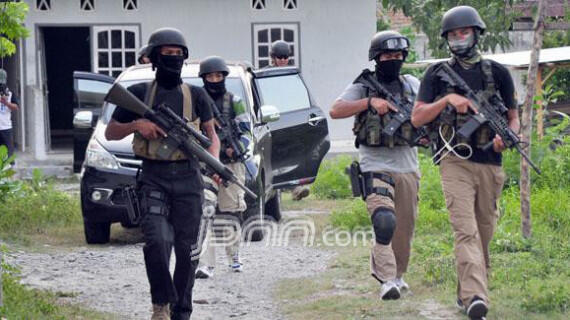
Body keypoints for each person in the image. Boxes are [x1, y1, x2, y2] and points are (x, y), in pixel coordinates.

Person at [105, 27, 220, 320]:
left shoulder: (196, 95)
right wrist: (137, 125)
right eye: (166, 54)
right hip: (153, 176)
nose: (173, 59)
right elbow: (111, 130)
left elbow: (211, 135)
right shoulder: (139, 93)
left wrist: (215, 165)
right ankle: (161, 304)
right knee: (156, 242)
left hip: (188, 178)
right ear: (155, 58)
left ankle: (181, 310)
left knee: (188, 251)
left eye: (178, 54)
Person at [411, 6, 518, 320]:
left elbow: (514, 120)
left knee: (484, 232)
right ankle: (475, 298)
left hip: (491, 163)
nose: (459, 39)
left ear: (475, 33)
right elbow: (417, 117)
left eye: (464, 32)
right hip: (454, 160)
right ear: (447, 39)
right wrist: (446, 100)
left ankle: (466, 293)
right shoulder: (436, 74)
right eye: (454, 34)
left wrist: (507, 138)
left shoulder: (498, 73)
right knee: (466, 231)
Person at [329, 31, 421, 301]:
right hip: (374, 162)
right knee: (384, 221)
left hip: (408, 164)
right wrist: (369, 102)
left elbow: (428, 111)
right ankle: (386, 279)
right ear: (376, 58)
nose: (393, 60)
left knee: (404, 228)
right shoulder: (364, 85)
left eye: (397, 55)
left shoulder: (413, 84)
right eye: (387, 55)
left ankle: (398, 275)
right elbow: (336, 109)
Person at [194, 56, 252, 278]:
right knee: (205, 212)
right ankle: (205, 264)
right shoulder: (197, 100)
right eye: (210, 76)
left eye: (218, 76)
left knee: (231, 213)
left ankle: (234, 256)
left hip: (231, 165)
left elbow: (247, 132)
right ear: (204, 78)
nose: (214, 80)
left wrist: (236, 148)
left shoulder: (234, 100)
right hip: (205, 164)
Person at [266, 40, 310, 201]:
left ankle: (295, 186)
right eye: (279, 57)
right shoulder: (265, 75)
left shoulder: (292, 74)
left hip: (289, 119)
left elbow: (298, 96)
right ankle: (279, 188)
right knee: (274, 156)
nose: (283, 60)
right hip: (270, 119)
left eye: (285, 57)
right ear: (272, 58)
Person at [0, 68, 19, 162]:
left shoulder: (10, 93)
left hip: (6, 127)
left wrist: (6, 103)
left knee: (8, 155)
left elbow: (16, 107)